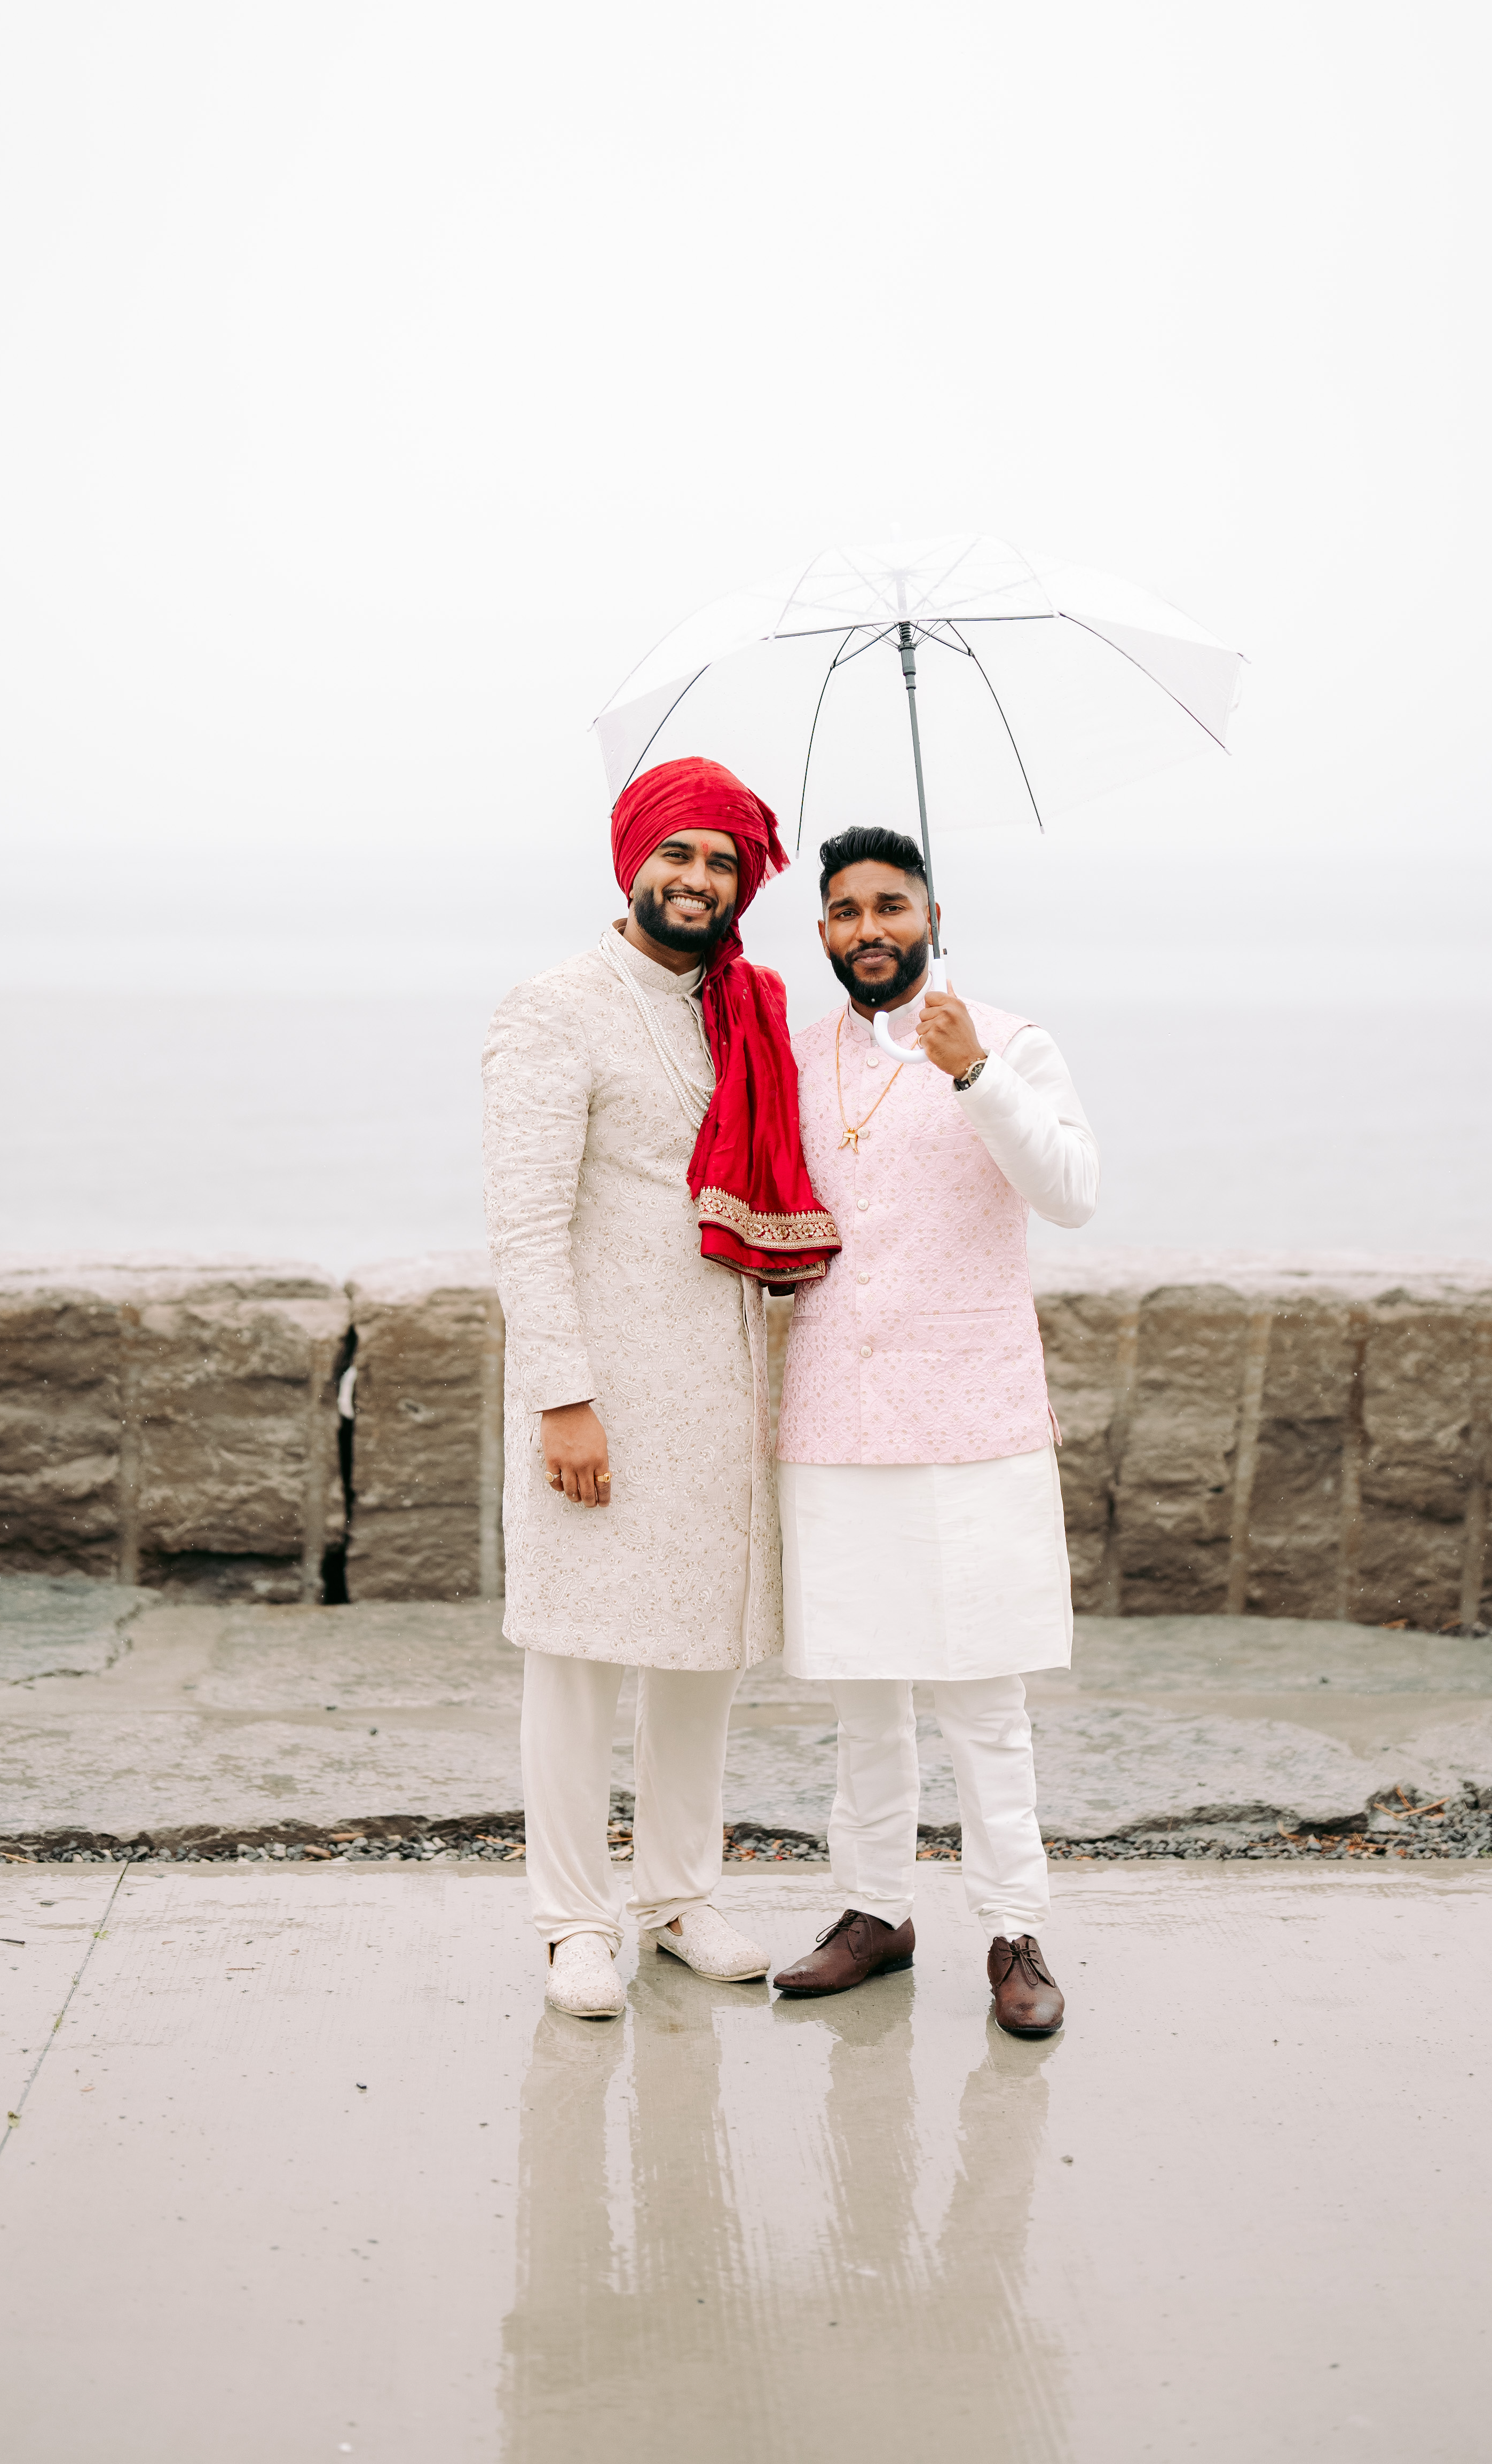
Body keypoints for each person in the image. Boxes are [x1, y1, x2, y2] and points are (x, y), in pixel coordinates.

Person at [483, 755, 839, 2019]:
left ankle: (679, 1897)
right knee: (577, 1661)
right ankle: (575, 1924)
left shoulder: (743, 1009)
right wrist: (562, 1399)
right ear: (634, 858)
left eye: (724, 861)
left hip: (726, 1390)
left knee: (702, 1656)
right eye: (679, 853)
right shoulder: (555, 1009)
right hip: (604, 1396)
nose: (699, 880)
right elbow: (526, 1226)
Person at [769, 825, 1099, 2037]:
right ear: (824, 932)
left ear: (932, 917)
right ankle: (875, 1912)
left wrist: (975, 1074)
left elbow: (1072, 1193)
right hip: (834, 1412)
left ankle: (1014, 1931)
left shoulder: (1010, 1041)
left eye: (891, 906)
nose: (870, 929)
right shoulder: (800, 1059)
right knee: (863, 1691)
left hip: (974, 1415)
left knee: (983, 1697)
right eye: (847, 911)